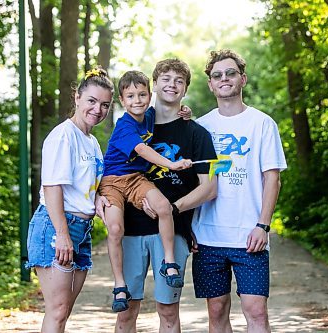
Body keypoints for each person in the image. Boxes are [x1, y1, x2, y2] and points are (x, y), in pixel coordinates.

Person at [112, 59, 218, 332]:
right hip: (131, 229)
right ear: (155, 84)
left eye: (179, 80)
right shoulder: (135, 122)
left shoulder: (197, 133)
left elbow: (209, 188)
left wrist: (171, 209)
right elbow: (112, 170)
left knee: (168, 312)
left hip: (172, 231)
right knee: (126, 313)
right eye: (166, 79)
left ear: (185, 90)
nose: (172, 84)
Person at [191, 49, 287, 333]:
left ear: (242, 79)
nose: (224, 79)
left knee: (256, 311)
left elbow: (272, 179)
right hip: (208, 236)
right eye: (217, 75)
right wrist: (188, 227)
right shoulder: (200, 127)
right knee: (216, 311)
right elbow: (191, 182)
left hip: (250, 236)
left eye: (230, 73)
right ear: (210, 84)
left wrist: (263, 225)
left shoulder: (262, 124)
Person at [25, 68, 113, 333]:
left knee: (63, 312)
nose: (98, 109)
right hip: (57, 227)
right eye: (92, 101)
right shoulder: (63, 136)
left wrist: (97, 200)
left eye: (105, 105)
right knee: (57, 311)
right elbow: (52, 187)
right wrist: (63, 235)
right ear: (77, 97)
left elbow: (86, 186)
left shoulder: (92, 141)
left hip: (81, 230)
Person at [98, 70, 193, 313]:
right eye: (130, 96)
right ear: (122, 100)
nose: (137, 100)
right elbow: (142, 150)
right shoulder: (125, 126)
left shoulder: (149, 115)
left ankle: (169, 262)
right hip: (112, 181)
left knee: (163, 207)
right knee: (116, 228)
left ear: (149, 96)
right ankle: (120, 284)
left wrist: (186, 112)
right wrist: (171, 164)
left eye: (142, 95)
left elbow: (170, 108)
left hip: (136, 179)